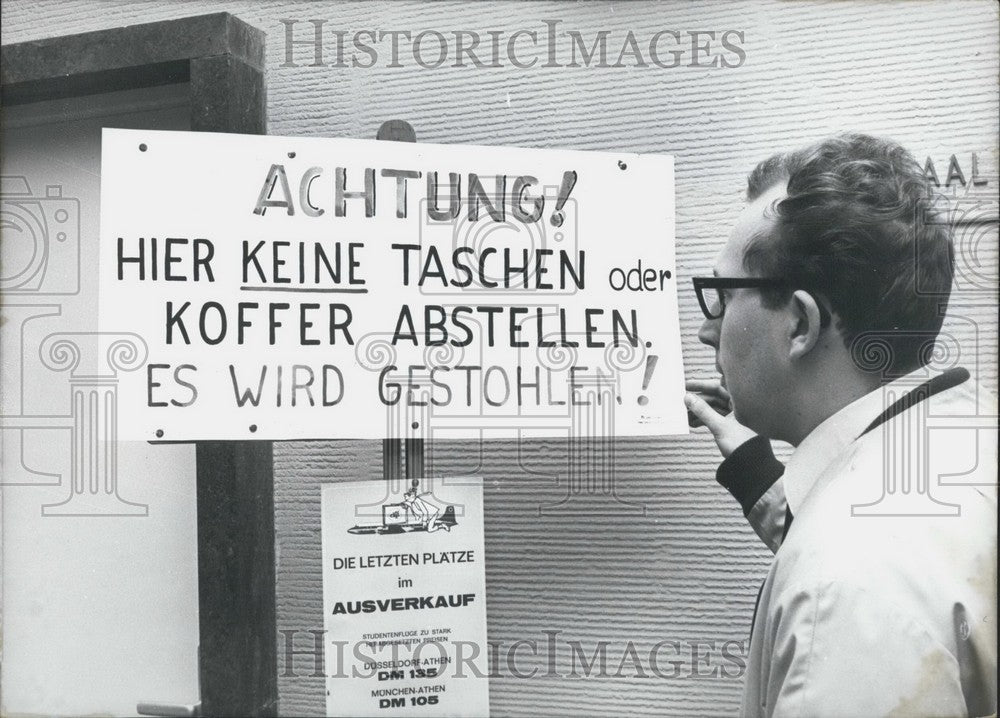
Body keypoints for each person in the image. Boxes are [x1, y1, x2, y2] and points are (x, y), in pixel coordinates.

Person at [684, 134, 997, 717]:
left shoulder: (843, 582)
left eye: (721, 297)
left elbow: (855, 580)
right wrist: (759, 475)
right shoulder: (964, 436)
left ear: (800, 324)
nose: (707, 331)